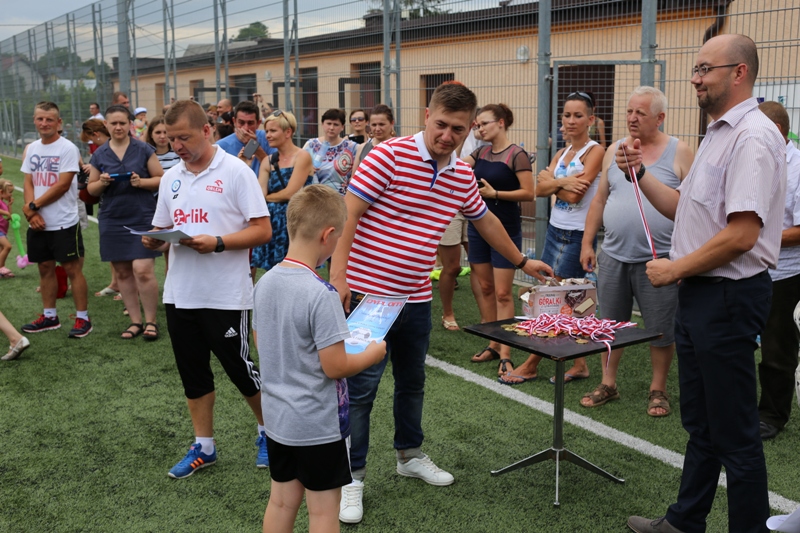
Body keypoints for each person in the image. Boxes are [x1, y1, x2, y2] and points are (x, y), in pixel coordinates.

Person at [330, 82, 553, 524]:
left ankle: (409, 455)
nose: (447, 136)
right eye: (441, 125)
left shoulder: (462, 175)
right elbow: (347, 213)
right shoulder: (387, 156)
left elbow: (485, 221)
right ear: (426, 117)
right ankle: (350, 477)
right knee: (361, 391)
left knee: (412, 381)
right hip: (369, 296)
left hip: (416, 298)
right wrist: (338, 278)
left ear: (470, 129)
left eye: (458, 129)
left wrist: (523, 260)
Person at [627, 34, 786, 533]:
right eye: (695, 69)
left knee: (734, 433)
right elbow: (688, 211)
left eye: (704, 69)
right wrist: (639, 174)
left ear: (739, 72)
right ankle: (684, 521)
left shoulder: (752, 137)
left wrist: (675, 269)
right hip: (703, 295)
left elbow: (742, 234)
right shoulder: (718, 133)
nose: (695, 79)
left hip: (726, 296)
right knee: (702, 423)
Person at [141, 99, 272, 479]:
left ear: (206, 130)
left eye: (184, 137)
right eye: (171, 138)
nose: (177, 145)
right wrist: (155, 240)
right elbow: (163, 227)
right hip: (180, 294)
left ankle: (269, 432)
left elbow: (262, 230)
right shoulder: (171, 177)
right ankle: (204, 446)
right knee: (193, 374)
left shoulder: (236, 172)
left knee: (241, 370)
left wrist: (218, 242)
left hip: (226, 294)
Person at [254, 184, 386, 533]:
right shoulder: (321, 293)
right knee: (324, 513)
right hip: (318, 425)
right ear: (328, 236)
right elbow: (335, 367)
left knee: (281, 502)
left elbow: (262, 343)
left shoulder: (264, 283)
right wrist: (372, 353)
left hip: (278, 419)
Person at [578, 87, 693, 414]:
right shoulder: (614, 150)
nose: (632, 118)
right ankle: (608, 383)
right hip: (614, 256)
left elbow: (692, 208)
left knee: (660, 329)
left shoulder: (680, 152)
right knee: (609, 325)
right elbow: (600, 199)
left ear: (660, 118)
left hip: (660, 261)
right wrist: (588, 242)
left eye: (640, 113)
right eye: (629, 111)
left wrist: (684, 261)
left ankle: (658, 389)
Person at [500, 91, 604, 385]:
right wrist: (562, 183)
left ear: (590, 119)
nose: (571, 121)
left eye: (578, 115)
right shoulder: (561, 153)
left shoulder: (596, 151)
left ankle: (531, 364)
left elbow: (574, 195)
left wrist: (553, 183)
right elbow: (539, 190)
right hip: (555, 231)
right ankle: (580, 364)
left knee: (555, 297)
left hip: (578, 235)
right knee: (558, 293)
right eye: (567, 115)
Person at [461, 104, 534, 377]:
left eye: (484, 123)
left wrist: (495, 194)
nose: (479, 129)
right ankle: (492, 343)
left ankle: (505, 353)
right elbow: (454, 167)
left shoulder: (517, 155)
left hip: (506, 230)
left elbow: (529, 193)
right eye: (477, 125)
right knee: (485, 287)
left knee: (503, 293)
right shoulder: (479, 153)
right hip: (477, 229)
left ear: (501, 122)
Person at [86, 105, 164, 341]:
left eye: (122, 123)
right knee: (122, 271)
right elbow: (91, 189)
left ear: (130, 124)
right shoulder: (99, 154)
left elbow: (161, 178)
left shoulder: (144, 149)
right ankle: (135, 322)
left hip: (142, 215)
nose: (118, 127)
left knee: (143, 270)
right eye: (113, 123)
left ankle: (151, 321)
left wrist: (142, 182)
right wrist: (102, 183)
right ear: (106, 125)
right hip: (112, 217)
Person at [20, 101, 91, 338]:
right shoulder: (31, 148)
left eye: (49, 119)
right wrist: (32, 214)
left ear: (58, 122)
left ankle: (83, 318)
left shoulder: (68, 148)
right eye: (40, 119)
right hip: (38, 222)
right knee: (44, 268)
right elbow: (28, 182)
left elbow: (62, 185)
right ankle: (50, 316)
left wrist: (33, 207)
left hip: (63, 221)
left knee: (72, 269)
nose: (44, 123)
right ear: (34, 120)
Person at [755, 101, 800, 441]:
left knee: (776, 349)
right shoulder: (755, 158)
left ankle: (772, 415)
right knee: (738, 342)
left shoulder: (797, 169)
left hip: (784, 275)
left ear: (778, 132)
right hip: (748, 268)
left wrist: (753, 238)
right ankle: (742, 406)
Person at [250, 110, 313, 272]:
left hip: (295, 222)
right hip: (273, 223)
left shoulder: (302, 156)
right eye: (267, 131)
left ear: (288, 132)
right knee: (273, 272)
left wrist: (268, 197)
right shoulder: (267, 160)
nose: (268, 135)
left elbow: (291, 193)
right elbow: (259, 195)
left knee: (296, 270)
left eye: (273, 131)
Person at [303, 108, 358, 195]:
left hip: (341, 198)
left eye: (336, 124)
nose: (331, 128)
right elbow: (298, 169)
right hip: (313, 196)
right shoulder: (310, 145)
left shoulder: (352, 147)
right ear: (322, 124)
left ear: (342, 127)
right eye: (328, 123)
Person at [216, 100, 275, 176]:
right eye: (241, 122)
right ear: (234, 121)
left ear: (258, 123)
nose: (246, 128)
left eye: (250, 123)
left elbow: (276, 172)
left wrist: (254, 146)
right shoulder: (221, 146)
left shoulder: (269, 138)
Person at [0, 179, 16, 278]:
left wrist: (9, 206)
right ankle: (1, 267)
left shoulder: (3, 203)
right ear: (1, 192)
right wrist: (5, 212)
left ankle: (1, 270)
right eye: (9, 192)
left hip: (3, 231)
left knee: (2, 249)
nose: (11, 194)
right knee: (7, 246)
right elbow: (5, 213)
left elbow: (9, 215)